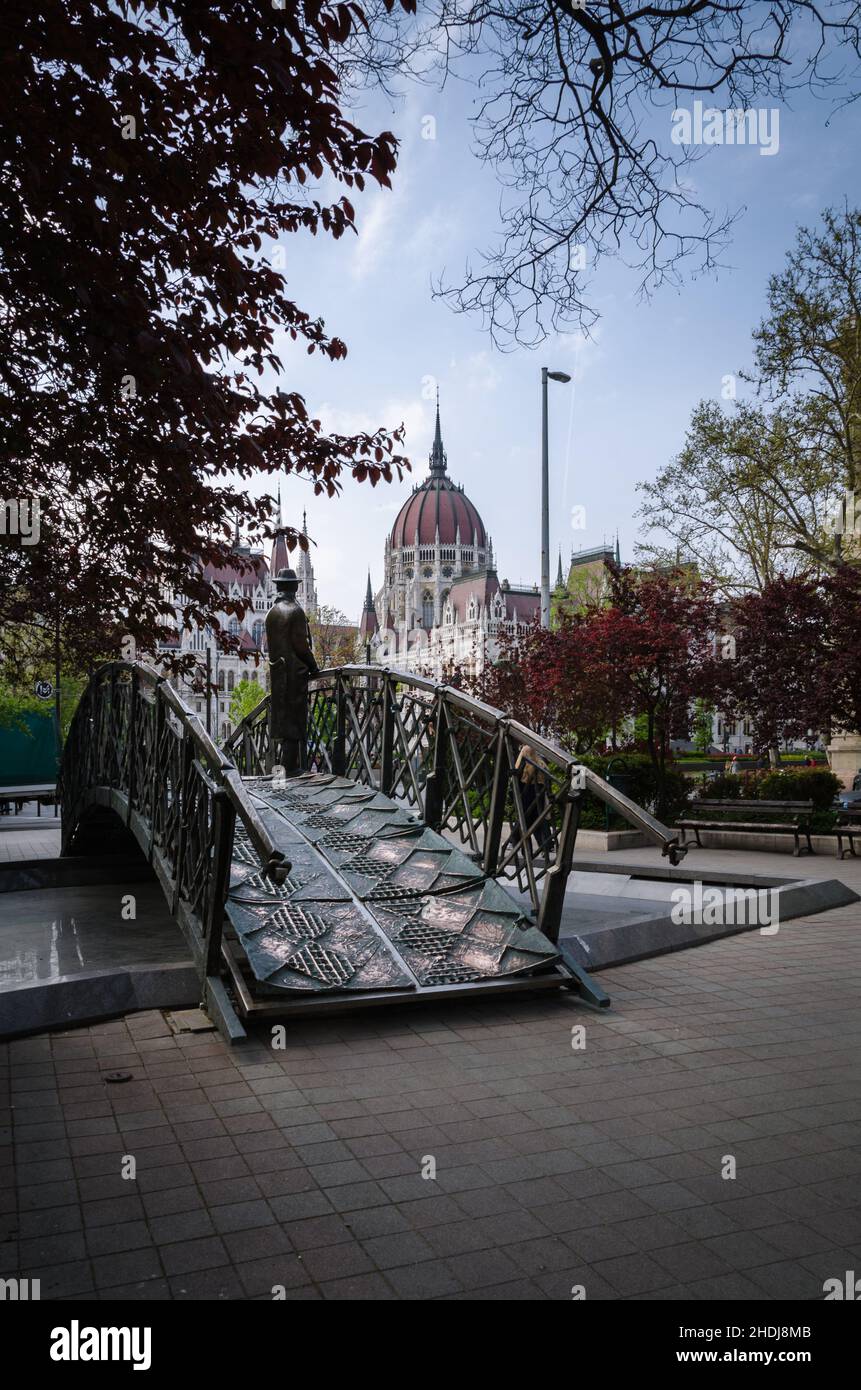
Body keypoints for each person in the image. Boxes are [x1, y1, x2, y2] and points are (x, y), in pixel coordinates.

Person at [265, 567, 320, 775]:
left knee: (284, 721)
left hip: (278, 673)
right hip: (294, 673)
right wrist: (314, 666)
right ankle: (289, 768)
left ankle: (284, 768)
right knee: (294, 722)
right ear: (295, 587)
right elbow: (301, 645)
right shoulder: (294, 611)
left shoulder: (272, 612)